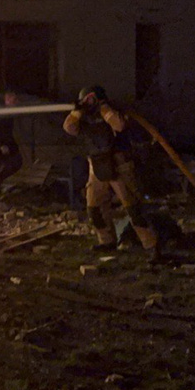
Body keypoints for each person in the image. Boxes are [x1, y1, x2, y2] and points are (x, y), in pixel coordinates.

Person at [63, 85, 162, 261]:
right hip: (97, 165)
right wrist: (77, 112)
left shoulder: (111, 112)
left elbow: (120, 125)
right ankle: (107, 241)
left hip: (119, 165)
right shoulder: (83, 117)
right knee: (94, 208)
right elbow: (69, 128)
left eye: (90, 99)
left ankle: (152, 246)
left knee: (133, 208)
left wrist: (104, 109)